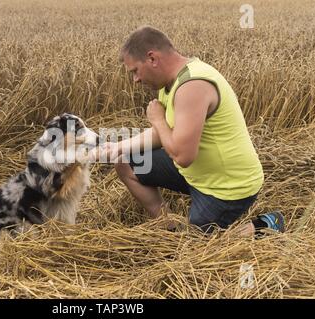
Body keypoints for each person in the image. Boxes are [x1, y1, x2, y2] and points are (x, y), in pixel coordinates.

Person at [91, 26, 284, 236]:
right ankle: (171, 229)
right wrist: (117, 146)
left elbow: (183, 156)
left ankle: (265, 225)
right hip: (199, 175)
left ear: (152, 58)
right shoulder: (170, 83)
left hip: (228, 187)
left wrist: (158, 120)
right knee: (124, 162)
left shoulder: (192, 86)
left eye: (135, 71)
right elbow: (163, 135)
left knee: (195, 251)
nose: (135, 79)